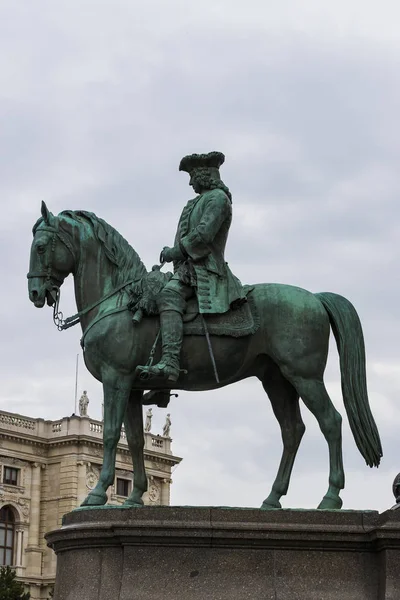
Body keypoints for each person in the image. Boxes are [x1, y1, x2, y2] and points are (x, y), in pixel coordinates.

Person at [137, 151, 245, 382]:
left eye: (193, 175)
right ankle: (159, 376)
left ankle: (170, 364)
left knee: (168, 295)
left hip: (205, 270)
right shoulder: (195, 202)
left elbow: (203, 235)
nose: (190, 181)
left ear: (205, 175)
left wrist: (176, 251)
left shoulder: (218, 199)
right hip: (187, 269)